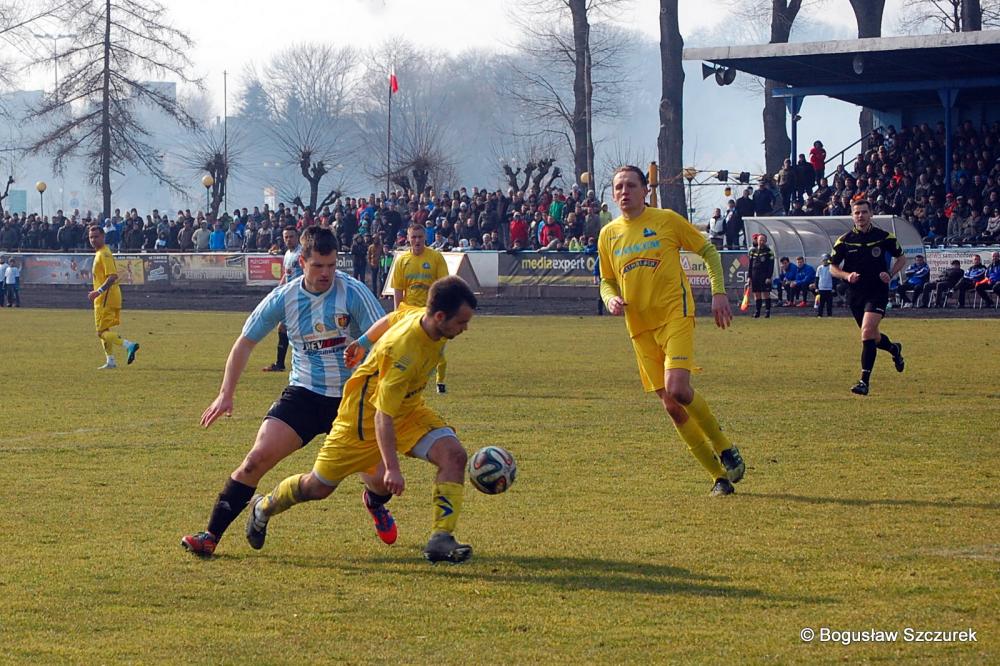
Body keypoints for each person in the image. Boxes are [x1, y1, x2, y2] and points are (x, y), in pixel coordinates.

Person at [181, 227, 386, 557]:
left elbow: (387, 339)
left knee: (382, 481)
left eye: (332, 265)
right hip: (304, 395)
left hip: (353, 400)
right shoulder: (284, 297)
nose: (326, 273)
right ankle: (210, 536)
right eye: (318, 265)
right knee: (255, 460)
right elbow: (244, 343)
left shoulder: (354, 293)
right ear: (302, 262)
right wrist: (225, 393)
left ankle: (374, 502)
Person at [244, 276, 479, 563]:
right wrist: (391, 468)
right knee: (318, 487)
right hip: (362, 422)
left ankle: (441, 539)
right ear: (440, 316)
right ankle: (263, 507)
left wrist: (363, 341)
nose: (465, 328)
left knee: (454, 456)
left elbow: (392, 317)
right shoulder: (402, 352)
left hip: (408, 410)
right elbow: (383, 415)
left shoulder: (422, 316)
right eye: (461, 322)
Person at [598, 165, 745, 497]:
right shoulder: (608, 234)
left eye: (631, 185)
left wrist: (719, 292)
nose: (624, 192)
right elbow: (606, 280)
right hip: (639, 328)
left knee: (678, 389)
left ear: (645, 191)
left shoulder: (665, 220)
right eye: (619, 187)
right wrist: (610, 298)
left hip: (674, 315)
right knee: (672, 407)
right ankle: (718, 477)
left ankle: (724, 446)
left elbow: (708, 251)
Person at [828, 199, 907, 396]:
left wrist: (890, 273)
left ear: (871, 214)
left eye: (864, 212)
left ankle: (864, 381)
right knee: (872, 336)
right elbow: (832, 267)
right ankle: (894, 349)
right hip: (855, 294)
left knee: (866, 332)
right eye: (857, 213)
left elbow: (902, 258)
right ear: (852, 216)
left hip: (877, 291)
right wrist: (847, 276)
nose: (860, 216)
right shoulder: (844, 240)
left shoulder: (884, 237)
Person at [391, 223, 451, 393]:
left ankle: (440, 381)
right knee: (409, 351)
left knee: (436, 349)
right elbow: (398, 290)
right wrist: (397, 314)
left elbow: (443, 286)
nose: (417, 241)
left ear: (425, 238)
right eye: (414, 237)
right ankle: (409, 383)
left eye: (420, 237)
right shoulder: (402, 260)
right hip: (410, 313)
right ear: (408, 239)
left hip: (431, 312)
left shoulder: (435, 258)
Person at [87, 225, 139, 369]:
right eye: (91, 237)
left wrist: (98, 291)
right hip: (105, 297)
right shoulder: (100, 253)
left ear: (103, 236)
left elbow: (112, 276)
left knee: (101, 332)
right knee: (105, 330)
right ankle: (110, 361)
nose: (93, 240)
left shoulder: (104, 254)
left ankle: (129, 345)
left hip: (106, 297)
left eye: (96, 236)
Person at [262, 226, 303, 373]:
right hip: (290, 297)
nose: (288, 240)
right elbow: (287, 275)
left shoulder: (301, 253)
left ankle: (290, 363)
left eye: (291, 236)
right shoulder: (287, 254)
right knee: (283, 327)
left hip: (300, 297)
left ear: (297, 237)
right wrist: (278, 289)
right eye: (286, 237)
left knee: (296, 330)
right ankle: (280, 364)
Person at [746, 234, 774, 318]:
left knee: (766, 293)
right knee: (756, 293)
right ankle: (757, 311)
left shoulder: (769, 252)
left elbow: (771, 266)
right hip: (755, 275)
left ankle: (767, 311)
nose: (761, 242)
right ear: (757, 240)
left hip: (764, 276)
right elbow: (750, 265)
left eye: (763, 240)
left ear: (765, 241)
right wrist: (749, 277)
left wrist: (769, 277)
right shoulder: (753, 251)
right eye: (760, 240)